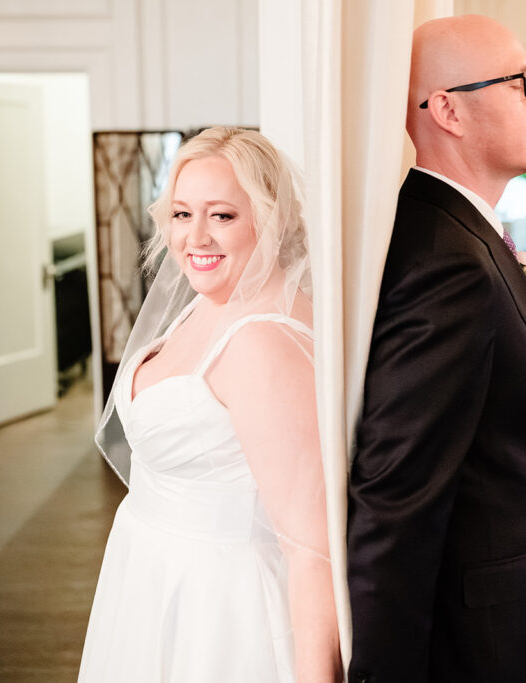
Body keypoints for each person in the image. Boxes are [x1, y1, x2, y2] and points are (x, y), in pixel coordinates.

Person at [347, 15, 526, 682]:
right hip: (478, 647)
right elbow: (397, 499)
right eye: (522, 83)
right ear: (446, 109)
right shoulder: (449, 261)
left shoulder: (455, 233)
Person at [80, 127, 341, 682]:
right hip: (151, 578)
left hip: (219, 610)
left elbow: (310, 546)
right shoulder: (211, 301)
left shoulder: (262, 342)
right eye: (181, 214)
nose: (195, 237)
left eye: (222, 215)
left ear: (271, 219)